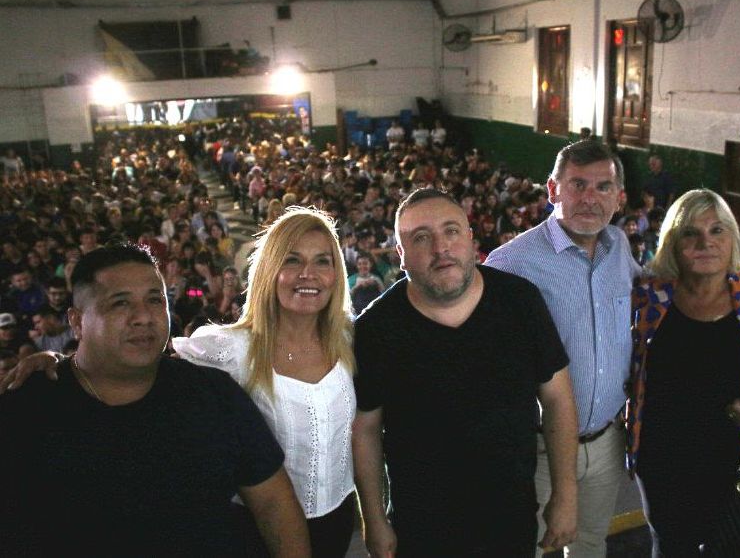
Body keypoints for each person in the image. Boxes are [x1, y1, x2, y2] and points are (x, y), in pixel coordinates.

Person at [0, 244, 310, 556]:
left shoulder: (212, 393)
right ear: (77, 322)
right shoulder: (27, 407)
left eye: (154, 300)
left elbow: (273, 503)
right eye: (120, 304)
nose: (143, 317)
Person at [353, 189, 578, 557]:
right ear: (401, 255)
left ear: (472, 238)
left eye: (451, 231)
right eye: (421, 238)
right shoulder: (375, 329)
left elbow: (557, 398)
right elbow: (364, 430)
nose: (441, 247)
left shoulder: (520, 301)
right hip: (422, 528)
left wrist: (565, 494)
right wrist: (373, 519)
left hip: (511, 519)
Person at [172, 207, 358, 558]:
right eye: (292, 260)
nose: (309, 274)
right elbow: (144, 371)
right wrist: (60, 363)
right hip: (253, 529)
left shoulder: (350, 339)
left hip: (338, 521)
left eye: (323, 261)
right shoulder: (228, 349)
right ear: (269, 271)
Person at [486, 140, 641, 558]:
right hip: (534, 448)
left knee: (590, 545)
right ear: (553, 190)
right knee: (522, 547)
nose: (590, 199)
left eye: (602, 187)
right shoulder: (510, 264)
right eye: (578, 185)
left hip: (607, 442)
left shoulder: (620, 249)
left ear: (619, 197)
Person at [627, 189, 740, 556]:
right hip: (663, 460)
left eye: (717, 230)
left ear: (733, 239)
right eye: (691, 233)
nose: (705, 242)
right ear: (673, 243)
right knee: (671, 546)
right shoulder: (647, 299)